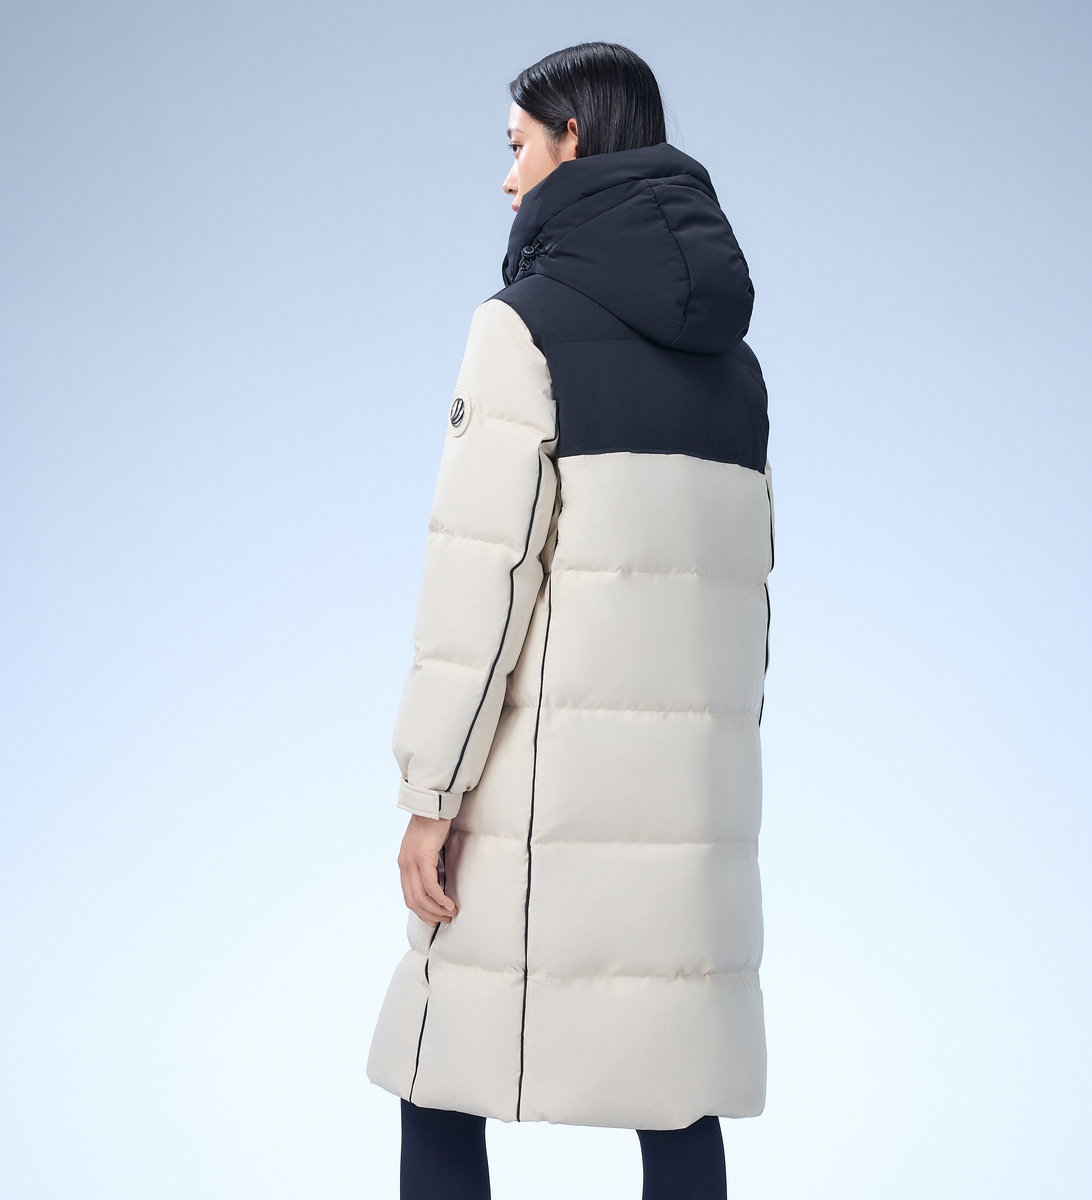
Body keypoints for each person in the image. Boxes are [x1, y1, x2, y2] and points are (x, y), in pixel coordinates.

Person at [367, 41, 773, 1200]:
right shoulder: (735, 365)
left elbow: (478, 585)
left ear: (572, 140)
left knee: (440, 1072)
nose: (507, 177)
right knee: (677, 1089)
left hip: (535, 801)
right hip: (693, 816)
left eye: (516, 146)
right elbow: (746, 617)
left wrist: (431, 794)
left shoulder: (522, 328)